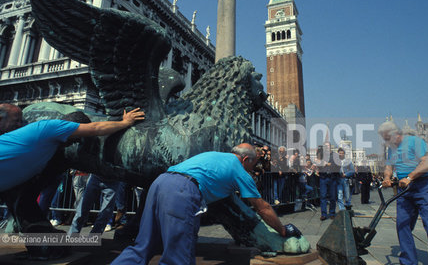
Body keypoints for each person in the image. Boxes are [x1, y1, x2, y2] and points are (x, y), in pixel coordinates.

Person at [111, 143, 301, 265]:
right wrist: (282, 230)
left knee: (142, 246)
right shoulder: (239, 169)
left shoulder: (214, 155)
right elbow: (263, 207)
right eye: (254, 164)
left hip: (159, 184)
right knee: (178, 257)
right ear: (245, 159)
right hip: (183, 191)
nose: (254, 168)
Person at [0, 103, 144, 259]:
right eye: (76, 138)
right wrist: (125, 123)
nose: (74, 144)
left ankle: (45, 246)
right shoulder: (51, 128)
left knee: (23, 200)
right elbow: (96, 128)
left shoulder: (36, 141)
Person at [378, 121, 428, 265]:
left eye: (387, 138)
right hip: (404, 190)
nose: (386, 141)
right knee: (402, 225)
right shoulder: (392, 148)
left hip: (424, 185)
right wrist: (387, 177)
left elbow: (427, 163)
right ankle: (408, 261)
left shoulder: (415, 141)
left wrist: (410, 177)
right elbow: (389, 166)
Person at [315, 144, 339, 221]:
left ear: (331, 146)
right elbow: (317, 163)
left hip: (332, 178)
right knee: (323, 196)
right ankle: (323, 214)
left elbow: (338, 165)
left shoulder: (335, 155)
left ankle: (332, 213)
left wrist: (329, 164)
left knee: (332, 196)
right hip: (323, 178)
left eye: (328, 146)